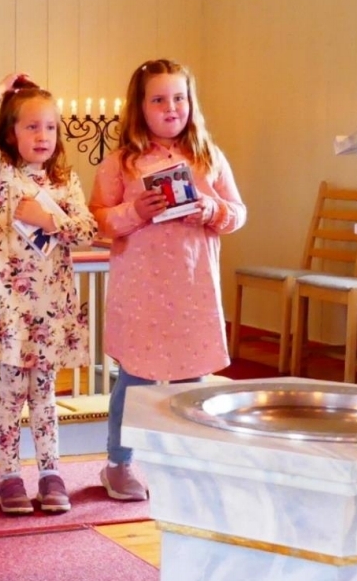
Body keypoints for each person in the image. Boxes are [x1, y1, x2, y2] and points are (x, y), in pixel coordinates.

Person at [90, 59, 247, 501]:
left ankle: (186, 462)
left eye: (179, 98)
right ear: (140, 107)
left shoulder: (208, 157)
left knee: (190, 383)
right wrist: (134, 211)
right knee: (135, 379)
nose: (171, 107)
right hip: (141, 291)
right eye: (159, 99)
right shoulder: (121, 163)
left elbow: (239, 213)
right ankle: (119, 463)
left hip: (193, 290)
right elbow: (98, 218)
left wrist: (212, 210)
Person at [0, 73, 98, 514]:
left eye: (50, 127)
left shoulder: (65, 181)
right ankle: (9, 477)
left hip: (50, 307)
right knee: (10, 395)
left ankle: (50, 472)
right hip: (10, 308)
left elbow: (87, 231)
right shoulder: (0, 175)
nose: (43, 136)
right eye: (32, 126)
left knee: (44, 394)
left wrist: (49, 220)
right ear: (11, 133)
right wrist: (2, 89)